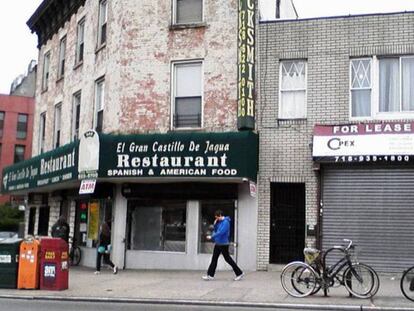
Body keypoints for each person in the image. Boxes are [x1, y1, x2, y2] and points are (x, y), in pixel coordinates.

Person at [202, 210, 244, 281]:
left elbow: (221, 232)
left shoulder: (226, 222)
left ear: (221, 215)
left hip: (223, 244)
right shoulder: (219, 222)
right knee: (214, 259)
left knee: (228, 259)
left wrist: (212, 237)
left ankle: (239, 273)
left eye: (217, 217)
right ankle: (210, 275)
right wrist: (215, 224)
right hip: (218, 243)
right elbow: (216, 230)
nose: (217, 219)